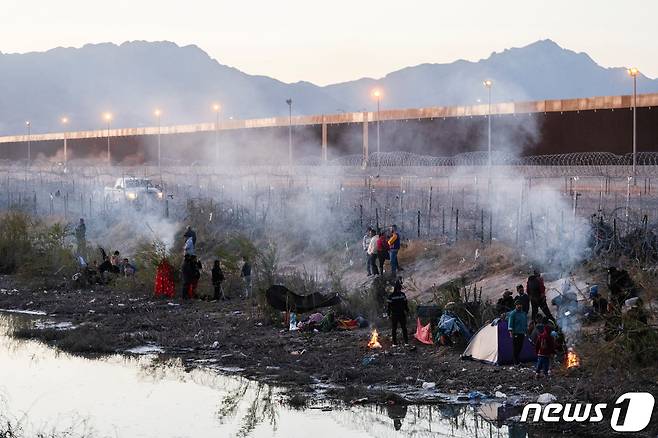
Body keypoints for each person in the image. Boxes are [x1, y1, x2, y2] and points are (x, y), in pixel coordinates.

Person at [387, 278, 409, 346]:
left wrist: (388, 314)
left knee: (394, 329)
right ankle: (406, 342)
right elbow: (405, 304)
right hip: (402, 313)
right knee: (404, 328)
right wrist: (407, 311)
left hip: (394, 314)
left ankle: (395, 343)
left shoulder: (391, 296)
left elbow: (389, 306)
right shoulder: (402, 295)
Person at [507, 299, 528, 365]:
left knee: (520, 347)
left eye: (520, 304)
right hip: (515, 333)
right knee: (516, 348)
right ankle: (515, 362)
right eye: (518, 305)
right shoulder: (513, 314)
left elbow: (525, 323)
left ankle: (518, 361)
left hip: (522, 333)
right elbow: (510, 323)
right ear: (515, 305)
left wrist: (526, 331)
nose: (519, 306)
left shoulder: (523, 313)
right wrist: (510, 332)